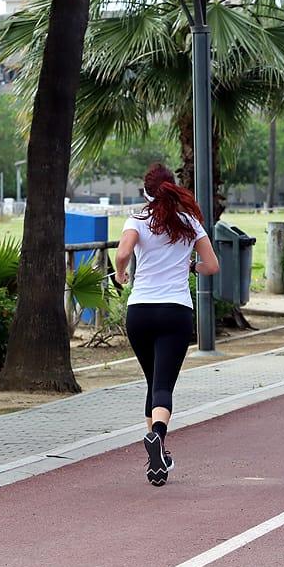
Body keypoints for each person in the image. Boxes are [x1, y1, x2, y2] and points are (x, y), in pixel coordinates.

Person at [115, 164, 219, 486]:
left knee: (152, 383)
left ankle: (155, 463)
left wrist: (121, 273)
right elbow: (212, 266)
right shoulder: (190, 223)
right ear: (173, 188)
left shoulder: (137, 220)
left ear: (146, 192)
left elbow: (123, 253)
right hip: (175, 312)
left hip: (140, 312)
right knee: (163, 386)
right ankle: (157, 436)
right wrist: (190, 265)